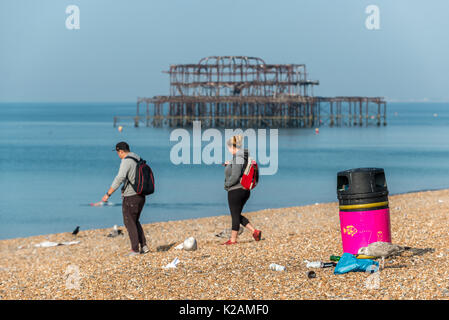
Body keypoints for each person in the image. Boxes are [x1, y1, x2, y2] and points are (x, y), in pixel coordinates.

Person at [102, 142, 149, 256]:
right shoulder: (137, 158)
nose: (118, 155)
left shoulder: (126, 161)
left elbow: (120, 178)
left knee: (129, 222)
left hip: (131, 197)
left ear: (121, 151)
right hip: (141, 195)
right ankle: (144, 246)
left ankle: (135, 250)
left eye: (118, 152)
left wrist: (108, 194)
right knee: (135, 221)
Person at [223, 135, 262, 245]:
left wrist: (227, 185)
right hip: (245, 190)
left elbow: (235, 176)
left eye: (228, 148)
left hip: (236, 190)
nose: (228, 150)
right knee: (237, 214)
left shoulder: (238, 158)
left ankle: (233, 240)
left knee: (235, 215)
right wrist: (229, 164)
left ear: (232, 147)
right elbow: (240, 170)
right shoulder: (244, 157)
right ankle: (255, 231)